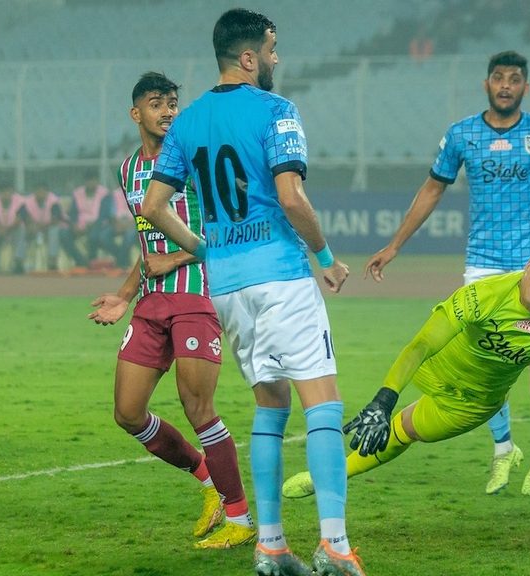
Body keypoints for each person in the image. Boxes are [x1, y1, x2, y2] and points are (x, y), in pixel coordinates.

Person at [140, 9, 364, 576]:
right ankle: (335, 545)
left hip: (228, 287)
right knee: (323, 402)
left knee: (270, 405)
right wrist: (326, 258)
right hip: (281, 276)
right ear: (248, 57)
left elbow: (153, 207)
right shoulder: (276, 110)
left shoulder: (188, 121)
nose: (275, 58)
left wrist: (207, 249)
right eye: (271, 48)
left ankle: (271, 546)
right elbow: (291, 197)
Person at [360, 50, 530, 497]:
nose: (506, 85)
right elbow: (432, 189)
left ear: (526, 87)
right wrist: (395, 245)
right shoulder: (461, 134)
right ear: (486, 84)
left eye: (514, 78)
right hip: (483, 261)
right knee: (488, 352)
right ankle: (504, 448)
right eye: (498, 77)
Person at [283, 235, 530, 498]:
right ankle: (507, 450)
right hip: (434, 370)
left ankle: (328, 477)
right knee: (391, 416)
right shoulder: (483, 295)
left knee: (404, 431)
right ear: (528, 264)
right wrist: (383, 399)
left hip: (472, 404)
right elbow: (421, 346)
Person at [88, 71, 255, 550]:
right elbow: (148, 246)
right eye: (156, 103)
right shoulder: (128, 171)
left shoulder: (197, 161)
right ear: (136, 113)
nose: (167, 111)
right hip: (150, 302)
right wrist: (125, 295)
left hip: (198, 295)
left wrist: (178, 258)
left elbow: (232, 229)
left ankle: (241, 520)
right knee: (127, 413)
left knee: (197, 406)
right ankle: (208, 481)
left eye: (172, 103)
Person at [63, 175, 112, 268]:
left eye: (93, 181)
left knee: (93, 236)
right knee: (64, 234)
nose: (91, 184)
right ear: (85, 182)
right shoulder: (77, 193)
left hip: (99, 224)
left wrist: (93, 225)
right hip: (80, 225)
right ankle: (80, 261)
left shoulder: (104, 193)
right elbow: (73, 212)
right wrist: (74, 225)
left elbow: (105, 213)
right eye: (89, 181)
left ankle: (92, 262)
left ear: (97, 181)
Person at [22, 184, 67, 271]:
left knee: (54, 231)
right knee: (23, 231)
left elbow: (55, 220)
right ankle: (23, 263)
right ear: (34, 192)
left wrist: (42, 227)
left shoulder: (53, 201)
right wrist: (31, 226)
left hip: (50, 227)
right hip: (35, 228)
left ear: (47, 192)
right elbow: (26, 218)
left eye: (43, 192)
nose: (40, 194)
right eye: (38, 191)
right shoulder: (28, 201)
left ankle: (52, 262)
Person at [0, 183, 27, 274]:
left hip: (15, 228)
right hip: (2, 228)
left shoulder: (20, 201)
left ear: (12, 192)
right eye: (3, 192)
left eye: (8, 191)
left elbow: (19, 220)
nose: (6, 194)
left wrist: (6, 230)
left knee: (21, 232)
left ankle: (18, 263)